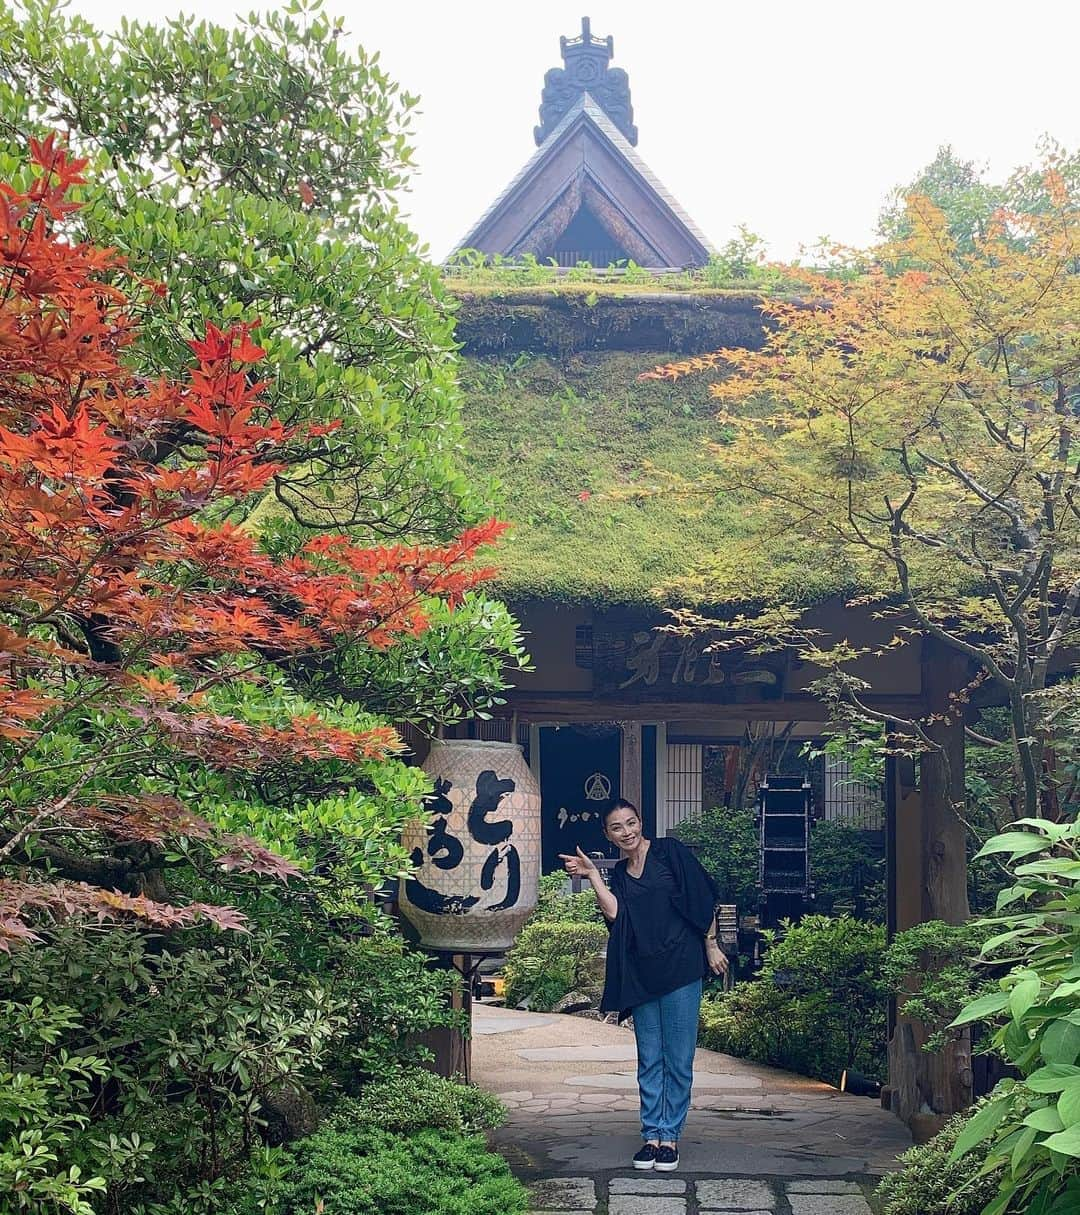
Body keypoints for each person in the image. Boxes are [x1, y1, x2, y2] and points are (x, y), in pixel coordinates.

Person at [559, 799, 728, 1173]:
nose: (627, 832)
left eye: (631, 823)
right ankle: (651, 1135)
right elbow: (616, 914)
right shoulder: (619, 872)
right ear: (607, 834)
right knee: (649, 1058)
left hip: (682, 968)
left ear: (641, 822)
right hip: (642, 973)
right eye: (617, 828)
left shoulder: (670, 852)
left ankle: (670, 1137)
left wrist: (711, 944)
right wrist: (592, 876)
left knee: (678, 1059)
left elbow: (703, 898)